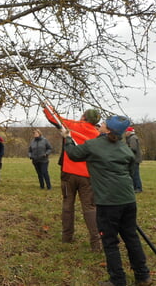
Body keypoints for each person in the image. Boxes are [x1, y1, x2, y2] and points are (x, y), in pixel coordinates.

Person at [61, 115, 152, 286]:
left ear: (108, 129)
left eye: (103, 123)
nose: (101, 124)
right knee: (131, 237)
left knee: (110, 242)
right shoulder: (124, 148)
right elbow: (131, 172)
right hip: (128, 201)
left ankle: (117, 280)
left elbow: (73, 154)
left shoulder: (94, 145)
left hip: (108, 203)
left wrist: (67, 138)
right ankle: (143, 275)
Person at [43, 105, 101, 252]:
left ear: (83, 117)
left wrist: (47, 106)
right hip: (88, 176)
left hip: (68, 173)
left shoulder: (72, 126)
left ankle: (67, 237)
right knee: (90, 208)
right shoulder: (97, 135)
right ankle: (96, 243)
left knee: (68, 205)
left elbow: (53, 117)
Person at [125, 127, 143, 193]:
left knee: (135, 174)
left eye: (126, 131)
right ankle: (135, 187)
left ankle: (138, 188)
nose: (125, 133)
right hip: (134, 158)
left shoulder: (132, 138)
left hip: (135, 159)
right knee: (133, 174)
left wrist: (125, 149)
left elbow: (133, 148)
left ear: (129, 132)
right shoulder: (133, 137)